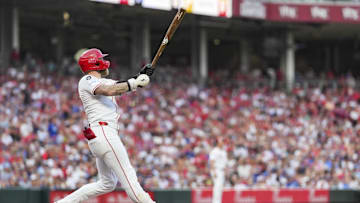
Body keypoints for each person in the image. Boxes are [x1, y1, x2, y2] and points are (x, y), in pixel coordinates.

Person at [56, 48, 156, 203]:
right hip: (103, 132)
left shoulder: (102, 81)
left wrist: (141, 76)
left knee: (107, 183)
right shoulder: (87, 80)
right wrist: (134, 82)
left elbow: (121, 86)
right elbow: (110, 90)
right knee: (130, 180)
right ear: (95, 63)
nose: (105, 61)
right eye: (101, 59)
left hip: (100, 135)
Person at [209, 137, 228, 203]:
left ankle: (218, 201)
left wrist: (225, 171)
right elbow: (212, 161)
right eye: (221, 141)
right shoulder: (214, 151)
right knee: (217, 187)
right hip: (216, 170)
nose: (222, 142)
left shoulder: (223, 151)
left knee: (220, 188)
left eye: (223, 141)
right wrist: (213, 171)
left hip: (222, 171)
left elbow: (225, 163)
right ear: (218, 142)